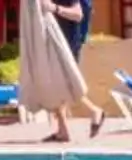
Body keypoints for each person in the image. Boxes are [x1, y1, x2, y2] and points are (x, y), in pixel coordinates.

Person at [18, 0, 103, 141]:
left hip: (67, 41)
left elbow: (78, 15)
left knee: (66, 84)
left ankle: (95, 111)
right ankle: (63, 130)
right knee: (55, 84)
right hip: (51, 38)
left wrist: (54, 8)